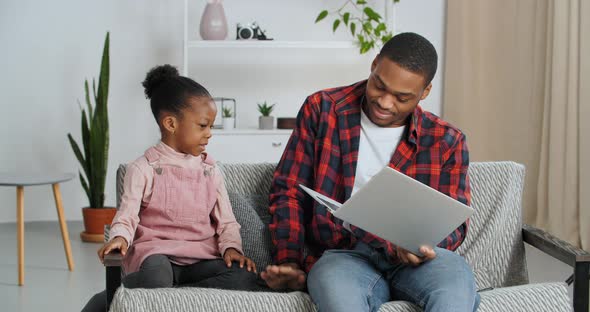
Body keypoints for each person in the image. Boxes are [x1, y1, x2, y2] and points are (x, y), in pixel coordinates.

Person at [260, 33, 480, 312]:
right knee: (340, 300)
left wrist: (420, 245)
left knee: (455, 293)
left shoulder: (447, 141)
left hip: (416, 262)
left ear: (424, 92)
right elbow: (288, 190)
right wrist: (288, 260)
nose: (385, 103)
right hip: (343, 256)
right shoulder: (323, 109)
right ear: (375, 64)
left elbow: (455, 222)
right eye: (379, 85)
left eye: (402, 97)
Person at [82, 65, 258, 312]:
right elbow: (127, 215)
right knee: (157, 276)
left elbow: (226, 221)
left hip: (201, 257)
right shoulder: (143, 168)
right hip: (157, 255)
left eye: (211, 127)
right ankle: (109, 298)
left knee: (244, 277)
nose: (209, 134)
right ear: (170, 123)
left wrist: (231, 248)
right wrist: (120, 237)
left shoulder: (211, 170)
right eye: (202, 126)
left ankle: (176, 299)